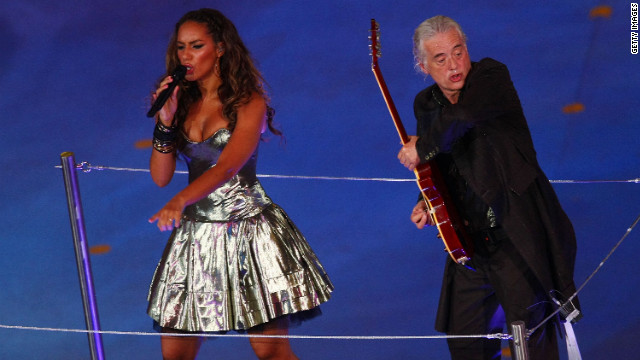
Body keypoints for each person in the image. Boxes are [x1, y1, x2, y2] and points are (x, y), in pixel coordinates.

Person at [146, 8, 333, 360]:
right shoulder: (183, 102)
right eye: (181, 47)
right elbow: (160, 177)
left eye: (196, 46)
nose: (186, 56)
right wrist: (166, 121)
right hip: (196, 240)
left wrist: (179, 201)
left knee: (271, 352)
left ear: (219, 48)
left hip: (249, 234)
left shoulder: (248, 101)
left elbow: (229, 165)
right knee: (175, 354)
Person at [397, 15, 580, 360]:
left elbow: (462, 120)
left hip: (515, 236)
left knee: (530, 343)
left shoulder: (491, 77)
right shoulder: (426, 104)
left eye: (458, 52)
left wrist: (421, 147)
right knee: (466, 343)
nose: (454, 65)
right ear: (423, 66)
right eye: (440, 59)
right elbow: (443, 163)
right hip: (468, 246)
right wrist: (426, 199)